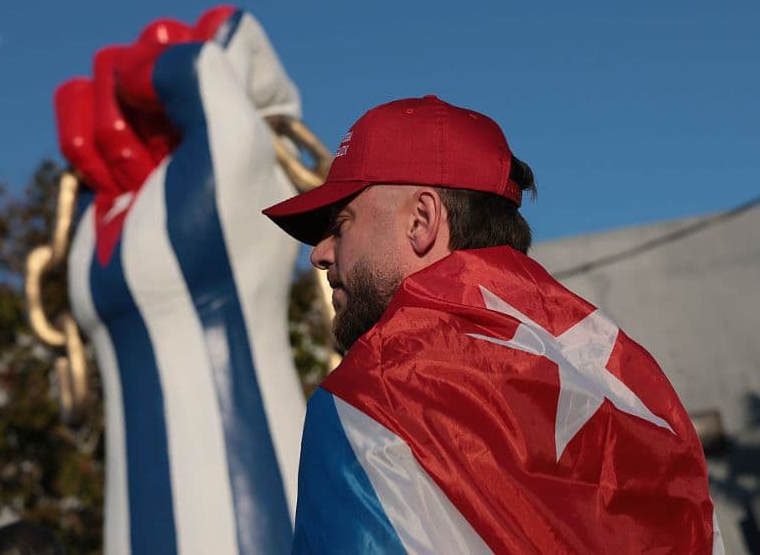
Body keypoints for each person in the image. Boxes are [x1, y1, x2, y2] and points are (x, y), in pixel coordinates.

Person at [263, 95, 723, 553]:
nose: (320, 254)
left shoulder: (371, 396)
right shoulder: (634, 387)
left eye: (341, 225)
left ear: (421, 220)